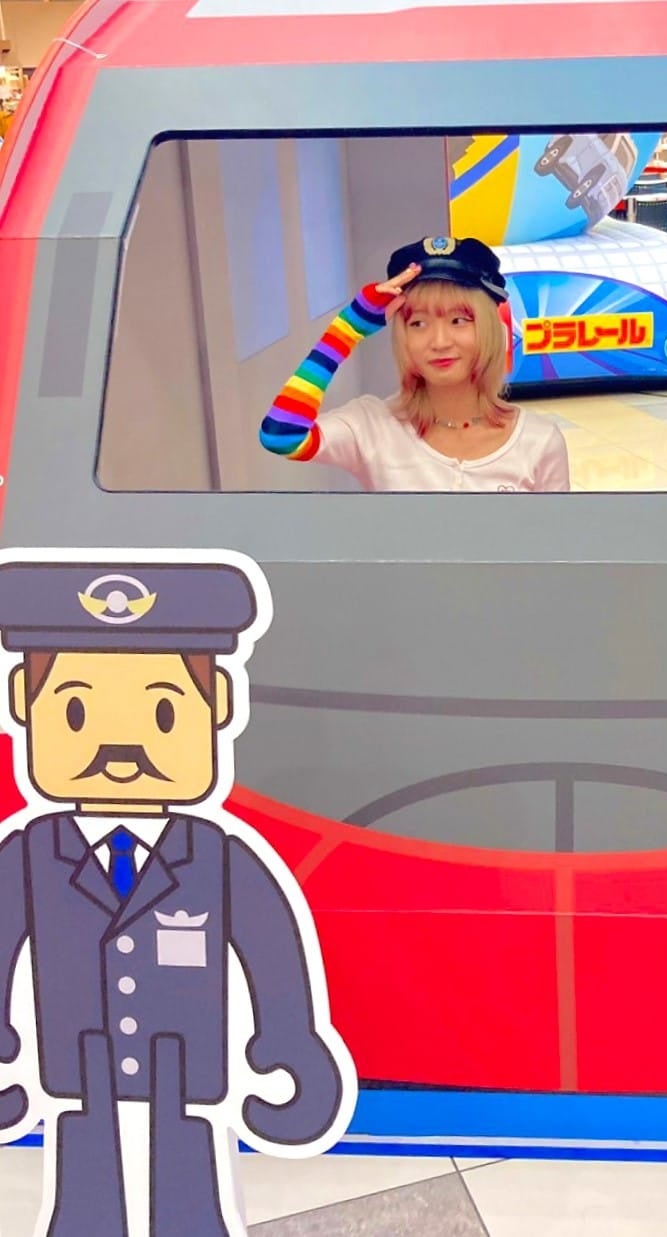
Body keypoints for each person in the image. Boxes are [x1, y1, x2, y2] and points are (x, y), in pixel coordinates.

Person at [0, 553, 355, 1237]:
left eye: (163, 712)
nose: (120, 745)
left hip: (187, 1076)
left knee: (192, 1206)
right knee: (83, 1207)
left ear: (217, 704)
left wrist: (289, 1038)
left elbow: (269, 948)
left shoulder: (218, 857)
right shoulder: (29, 856)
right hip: (79, 1071)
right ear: (23, 703)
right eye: (76, 711)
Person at [260, 235, 570, 492]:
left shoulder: (539, 441)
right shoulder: (373, 426)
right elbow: (282, 435)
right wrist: (348, 329)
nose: (439, 341)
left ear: (490, 327)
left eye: (459, 320)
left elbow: (557, 544)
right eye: (418, 323)